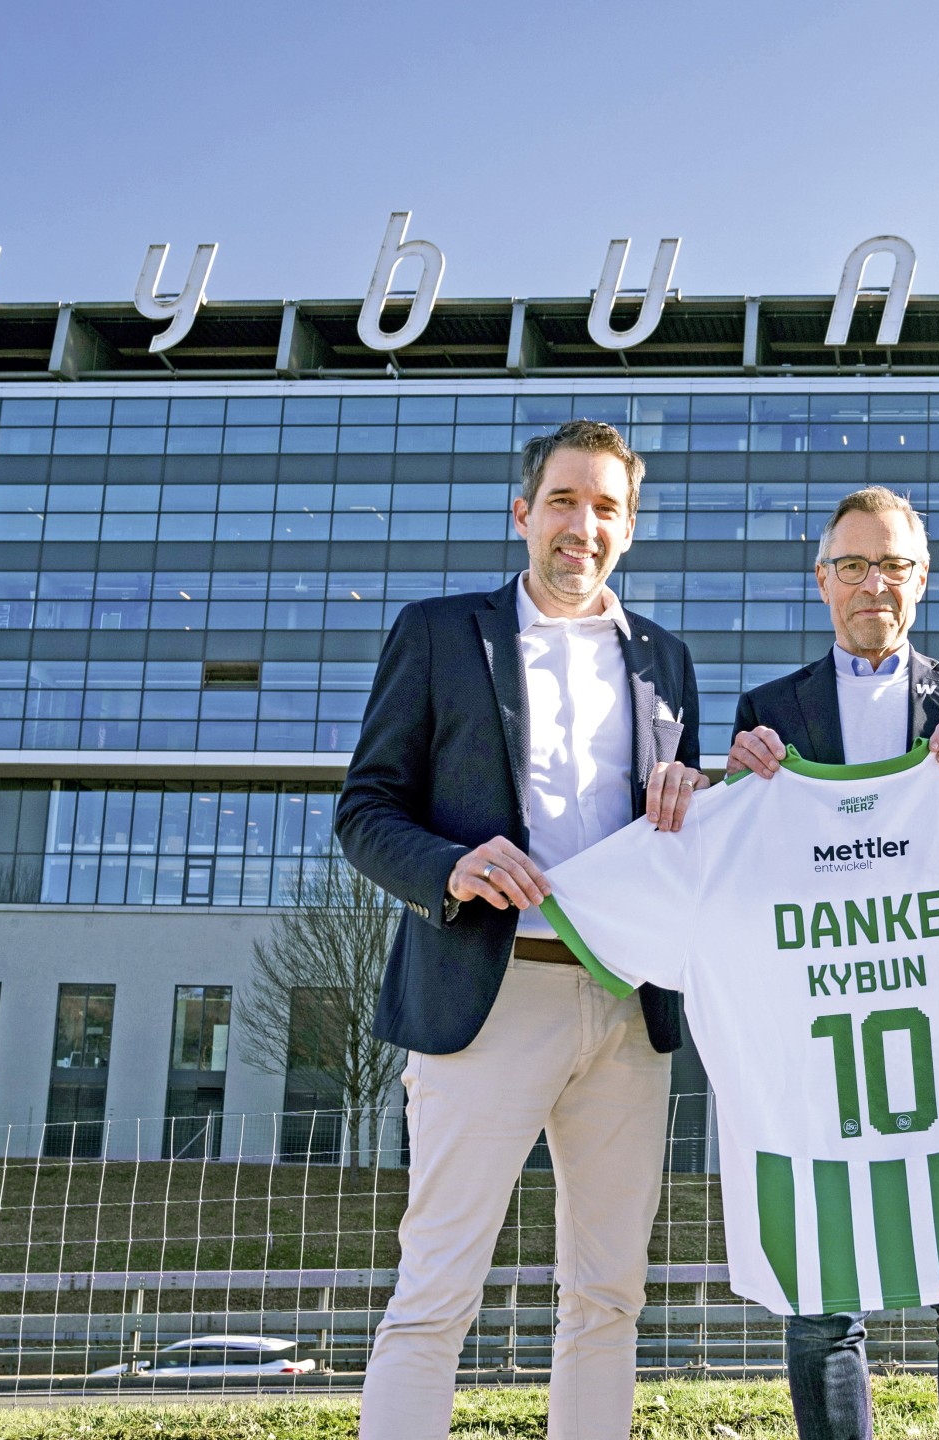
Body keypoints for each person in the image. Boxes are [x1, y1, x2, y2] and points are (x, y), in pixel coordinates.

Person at [335, 419, 710, 1440]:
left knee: (608, 1297)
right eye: (563, 501)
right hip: (486, 994)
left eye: (605, 508)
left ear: (628, 529)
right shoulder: (438, 633)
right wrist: (448, 868)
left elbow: (674, 837)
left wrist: (693, 797)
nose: (581, 526)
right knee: (436, 1292)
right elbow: (364, 812)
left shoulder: (666, 661)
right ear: (522, 513)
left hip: (628, 1007)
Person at [724, 484, 939, 1440]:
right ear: (822, 579)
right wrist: (733, 771)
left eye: (894, 566)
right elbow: (746, 857)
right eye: (853, 565)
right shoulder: (769, 709)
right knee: (822, 1299)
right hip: (826, 1032)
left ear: (922, 579)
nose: (874, 583)